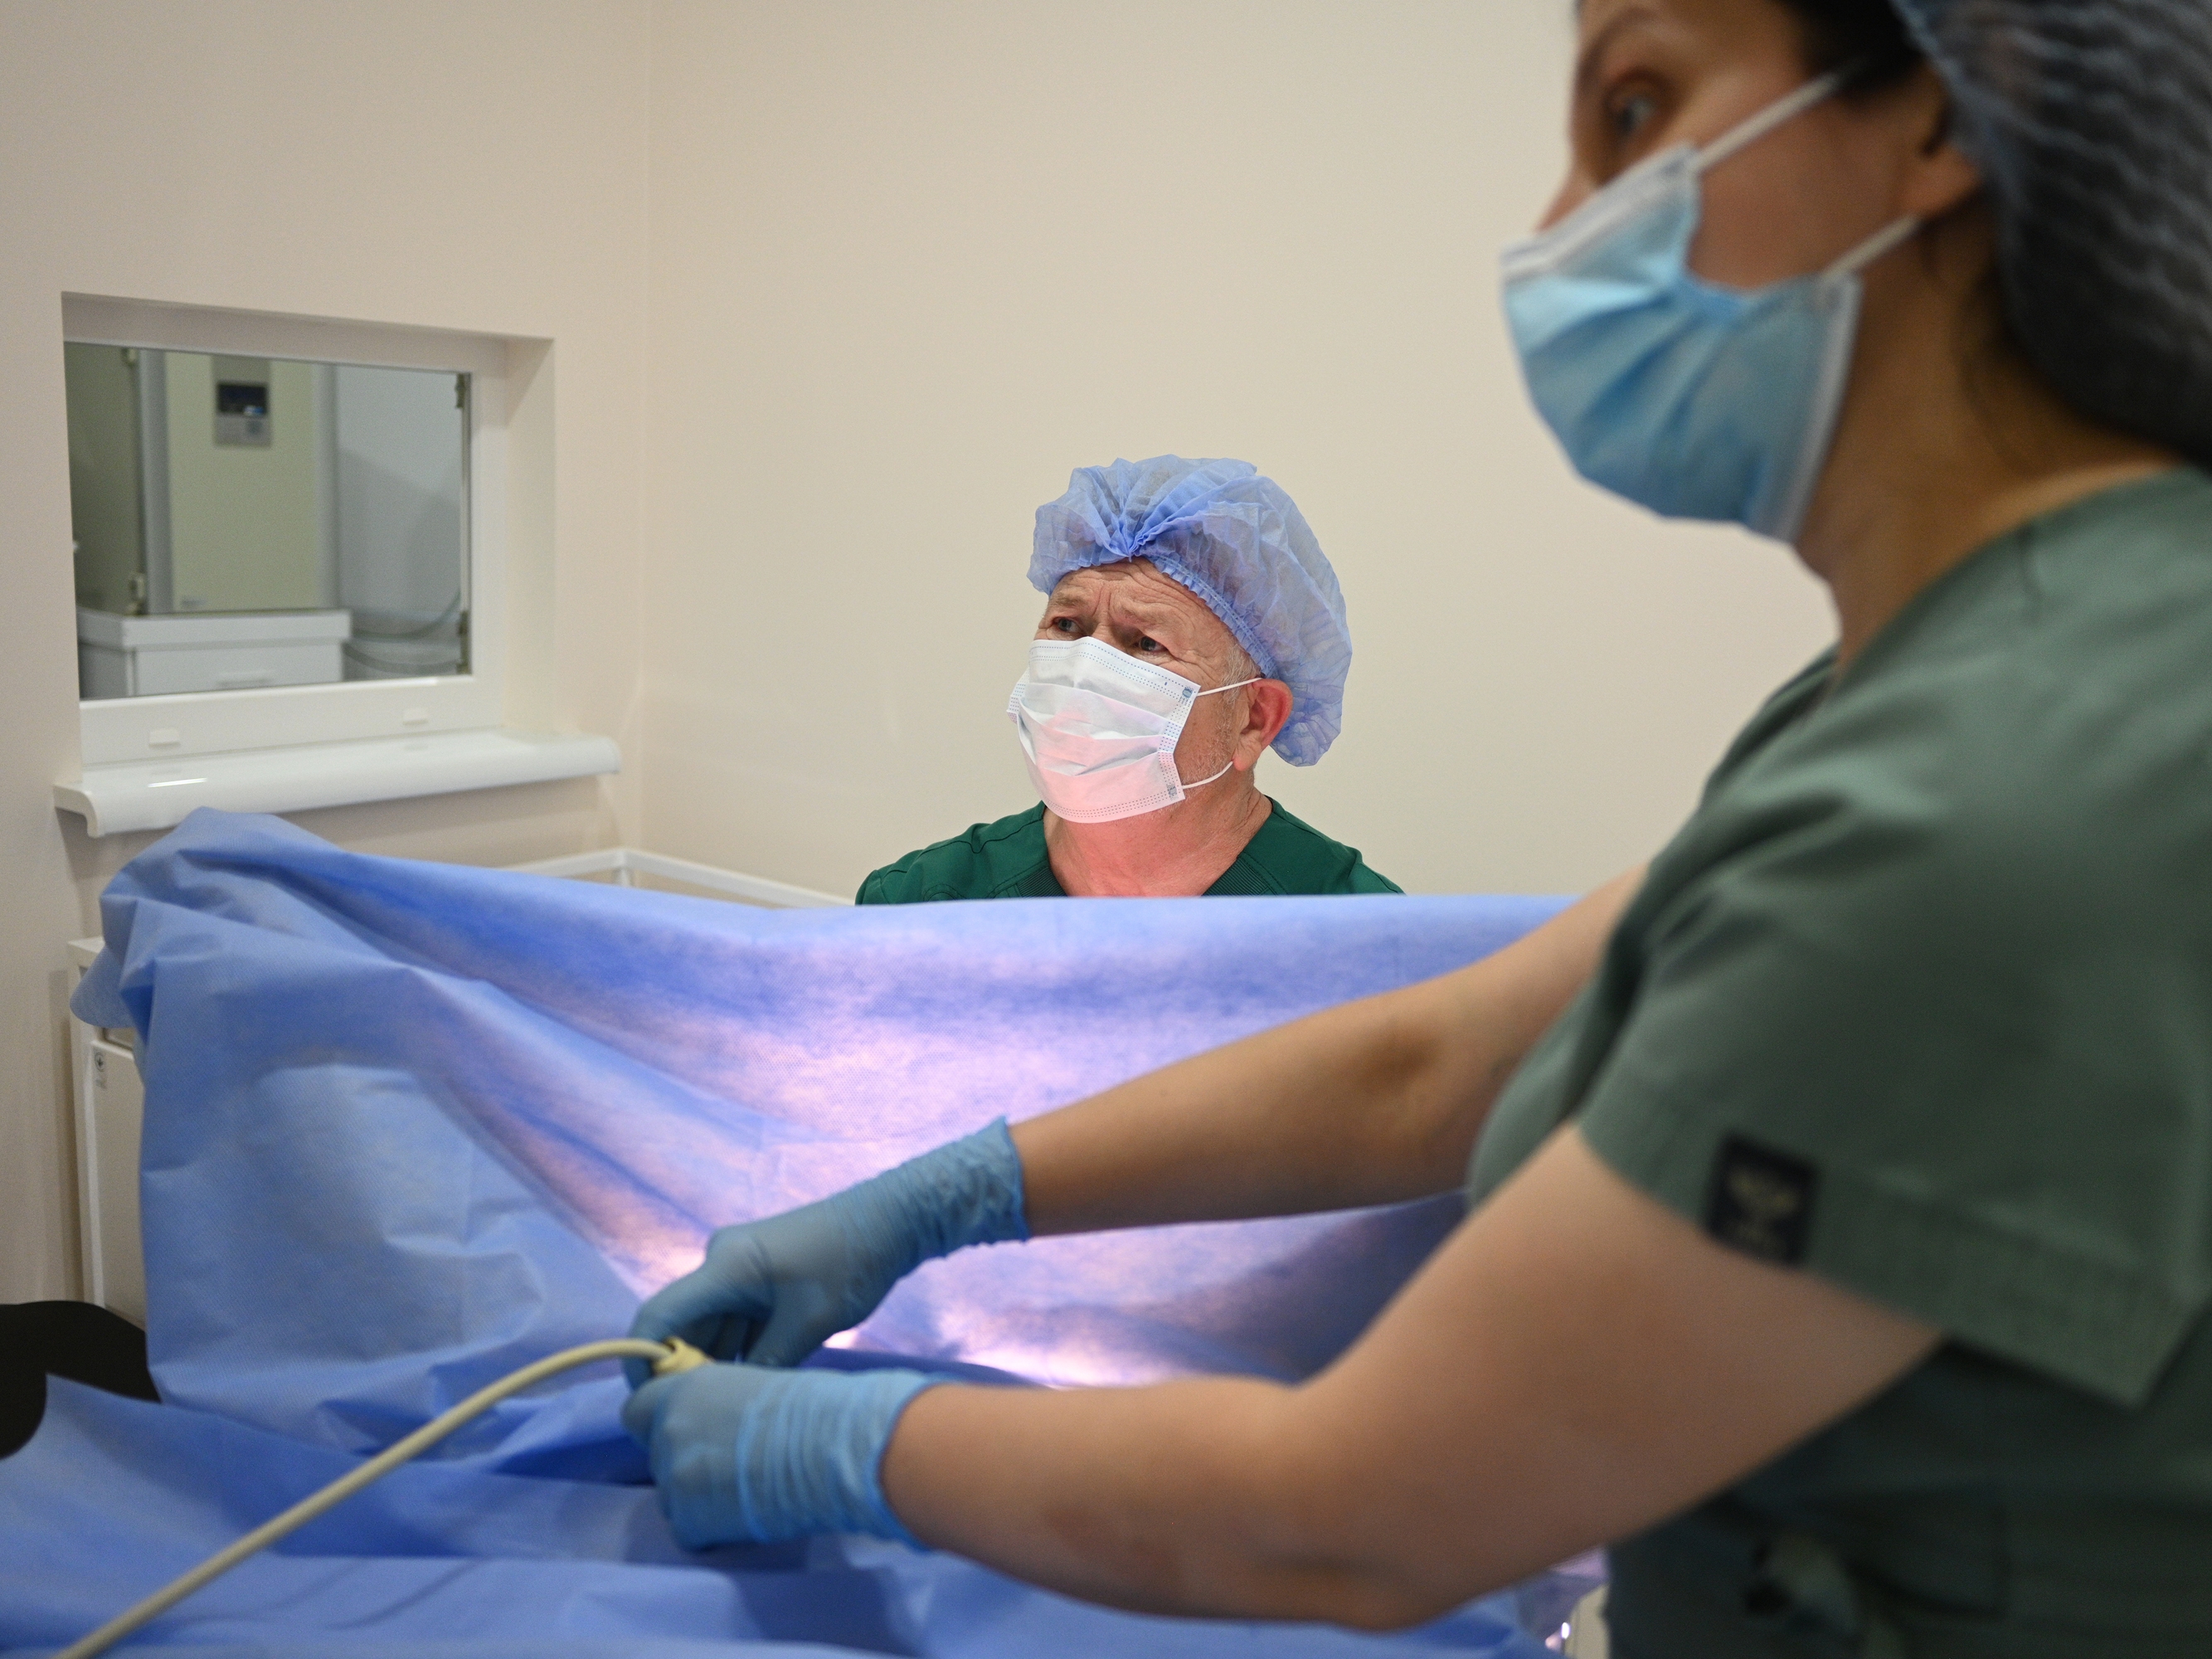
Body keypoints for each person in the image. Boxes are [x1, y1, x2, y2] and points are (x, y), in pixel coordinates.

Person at [625, 1, 2212, 1652]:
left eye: (1635, 105)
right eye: (1063, 624)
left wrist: (834, 1442)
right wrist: (941, 1197)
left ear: (1941, 120)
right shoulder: (1940, 684)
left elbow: (1353, 1525)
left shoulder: (2005, 779)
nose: (1551, 236)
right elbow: (1439, 1063)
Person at [856, 455, 1400, 900]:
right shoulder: (923, 904)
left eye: (1145, 643)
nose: (1084, 668)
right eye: (1066, 625)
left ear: (1254, 719)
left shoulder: (1362, 939)